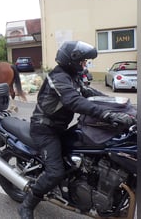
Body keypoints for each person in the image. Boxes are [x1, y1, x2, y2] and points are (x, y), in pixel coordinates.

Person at [19, 41, 135, 219]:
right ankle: (27, 205)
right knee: (55, 172)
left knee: (89, 153)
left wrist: (119, 106)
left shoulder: (73, 75)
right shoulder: (58, 77)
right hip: (45, 129)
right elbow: (74, 101)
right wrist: (107, 115)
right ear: (72, 60)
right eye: (83, 61)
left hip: (60, 127)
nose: (85, 64)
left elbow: (88, 92)